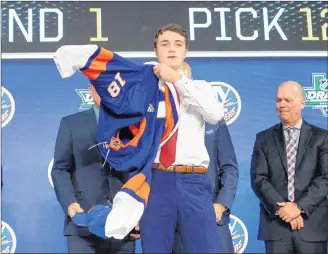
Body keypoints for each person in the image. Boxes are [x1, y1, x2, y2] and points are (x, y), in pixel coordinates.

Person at [139, 23, 225, 253]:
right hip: (156, 181)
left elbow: (215, 114)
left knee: (205, 248)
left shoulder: (200, 87)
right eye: (164, 44)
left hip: (193, 182)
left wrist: (178, 80)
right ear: (156, 51)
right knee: (155, 248)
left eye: (178, 44)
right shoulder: (144, 90)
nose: (172, 49)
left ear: (186, 51)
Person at [51, 84, 136, 253]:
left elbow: (140, 172)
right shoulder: (71, 123)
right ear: (91, 89)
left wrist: (138, 214)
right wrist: (70, 202)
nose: (106, 91)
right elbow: (60, 169)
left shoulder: (134, 127)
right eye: (101, 86)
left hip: (123, 226)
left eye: (111, 87)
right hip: (82, 222)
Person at [250, 81, 328, 253]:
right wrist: (283, 209)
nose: (282, 105)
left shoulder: (322, 137)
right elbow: (258, 179)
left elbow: (325, 178)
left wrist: (298, 207)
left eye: (287, 100)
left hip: (311, 227)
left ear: (302, 102)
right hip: (276, 227)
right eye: (278, 100)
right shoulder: (263, 138)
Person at [173, 63, 239, 254]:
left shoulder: (214, 119)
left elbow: (230, 168)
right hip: (174, 222)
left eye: (184, 81)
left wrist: (221, 204)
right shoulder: (161, 119)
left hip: (211, 217)